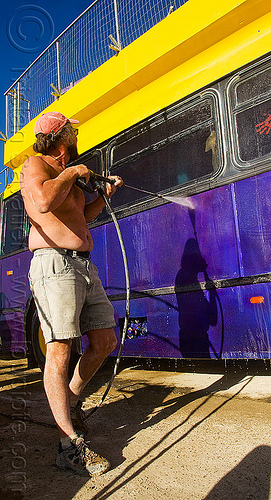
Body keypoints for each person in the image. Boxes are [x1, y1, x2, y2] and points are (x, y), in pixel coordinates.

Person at [20, 111, 123, 476]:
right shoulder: (35, 165)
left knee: (105, 340)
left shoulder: (70, 181)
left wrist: (104, 195)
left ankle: (72, 400)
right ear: (60, 137)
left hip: (83, 265)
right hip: (54, 265)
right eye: (72, 131)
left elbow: (82, 217)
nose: (77, 134)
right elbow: (43, 203)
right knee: (60, 349)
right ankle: (68, 446)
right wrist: (72, 173)